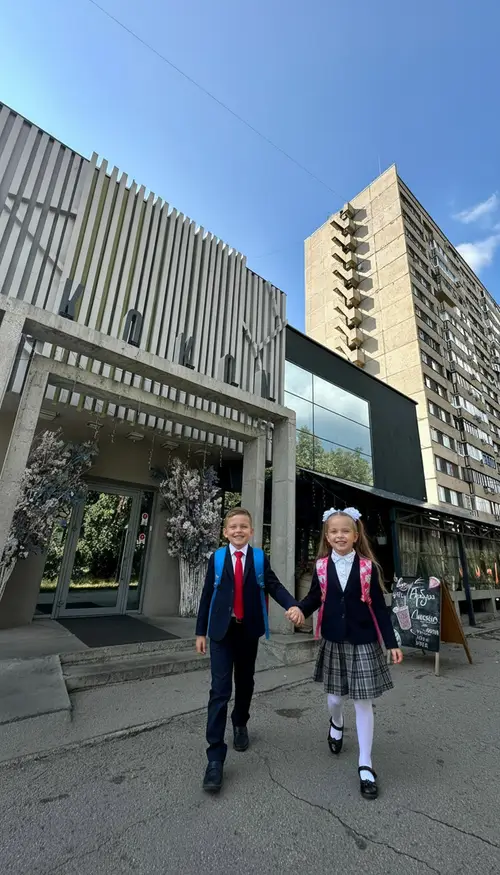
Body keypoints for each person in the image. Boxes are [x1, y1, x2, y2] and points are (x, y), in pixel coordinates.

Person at [286, 507, 402, 800]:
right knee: (335, 698)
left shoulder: (367, 567)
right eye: (334, 531)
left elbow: (378, 607)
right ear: (327, 536)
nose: (340, 535)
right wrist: (301, 608)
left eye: (345, 531)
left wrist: (391, 642)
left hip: (363, 640)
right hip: (334, 640)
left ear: (356, 535)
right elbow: (316, 596)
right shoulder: (322, 566)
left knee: (364, 702)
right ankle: (336, 722)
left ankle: (365, 764)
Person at [196, 507, 303, 793]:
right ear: (225, 531)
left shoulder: (258, 558)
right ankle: (215, 756)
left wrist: (293, 605)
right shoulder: (217, 558)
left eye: (244, 526)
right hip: (221, 632)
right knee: (219, 690)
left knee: (245, 683)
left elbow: (273, 585)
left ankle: (240, 722)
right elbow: (207, 595)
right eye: (233, 526)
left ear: (252, 531)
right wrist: (199, 632)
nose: (239, 530)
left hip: (248, 631)